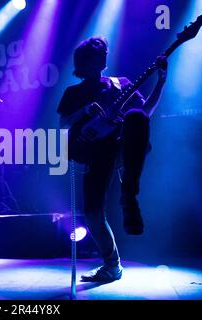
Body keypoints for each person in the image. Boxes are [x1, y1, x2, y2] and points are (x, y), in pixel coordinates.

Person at [57, 36, 167, 282]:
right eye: (97, 54)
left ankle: (129, 193)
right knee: (93, 213)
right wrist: (84, 111)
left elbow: (145, 112)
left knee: (137, 117)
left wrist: (160, 81)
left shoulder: (121, 84)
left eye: (104, 53)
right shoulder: (73, 92)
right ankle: (112, 265)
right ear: (84, 62)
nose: (103, 57)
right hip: (92, 151)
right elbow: (63, 123)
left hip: (120, 148)